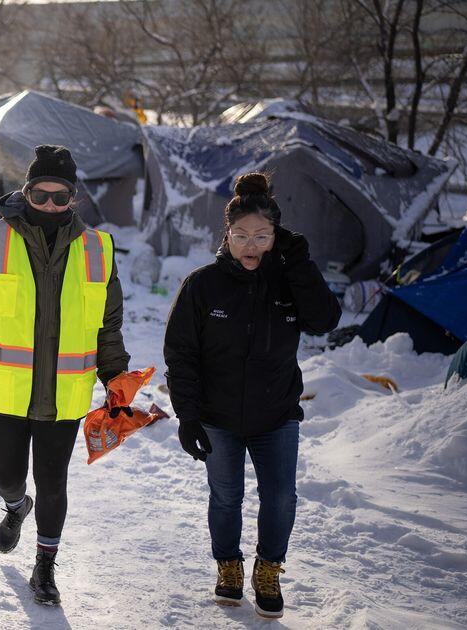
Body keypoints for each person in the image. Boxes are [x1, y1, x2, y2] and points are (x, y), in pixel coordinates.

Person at [0, 145, 130, 606]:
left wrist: (116, 378)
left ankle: (45, 566)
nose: (50, 205)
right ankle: (16, 506)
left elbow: (108, 323)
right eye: (41, 195)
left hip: (65, 393)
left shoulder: (98, 249)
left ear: (74, 198)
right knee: (8, 477)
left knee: (53, 481)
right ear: (26, 192)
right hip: (5, 390)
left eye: (61, 197)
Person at [163, 172, 341, 619]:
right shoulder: (202, 285)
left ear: (276, 236)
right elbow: (181, 354)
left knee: (281, 499)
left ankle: (268, 569)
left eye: (262, 236)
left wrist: (300, 265)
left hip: (276, 414)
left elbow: (324, 321)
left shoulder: (288, 281)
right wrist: (187, 416)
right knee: (226, 497)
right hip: (218, 417)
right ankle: (228, 566)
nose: (251, 245)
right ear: (227, 233)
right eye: (241, 234)